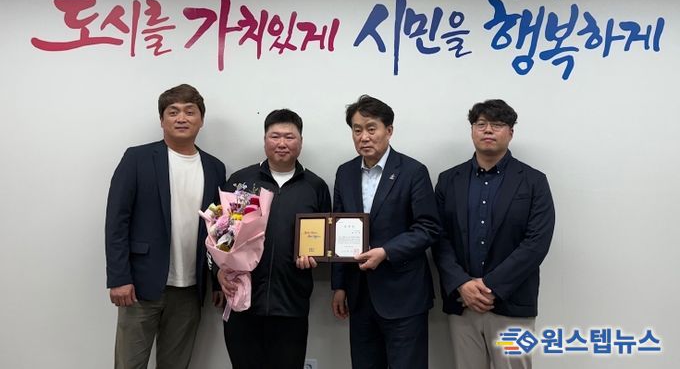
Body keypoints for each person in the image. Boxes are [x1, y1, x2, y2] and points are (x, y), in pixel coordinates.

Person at [105, 83, 226, 369]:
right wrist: (119, 277)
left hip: (190, 289)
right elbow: (117, 221)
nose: (181, 118)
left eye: (189, 111)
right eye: (173, 112)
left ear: (201, 120)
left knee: (176, 364)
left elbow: (218, 229)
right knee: (129, 364)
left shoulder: (215, 167)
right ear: (162, 120)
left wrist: (216, 279)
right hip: (140, 285)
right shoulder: (137, 158)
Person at [432, 99, 555, 369]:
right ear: (472, 130)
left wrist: (491, 286)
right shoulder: (448, 180)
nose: (488, 130)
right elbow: (438, 238)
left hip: (512, 302)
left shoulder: (534, 181)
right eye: (481, 124)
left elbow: (536, 243)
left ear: (511, 132)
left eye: (497, 124)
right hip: (462, 302)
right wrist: (462, 284)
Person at [330, 95, 440, 369]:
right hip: (359, 295)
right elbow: (338, 229)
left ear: (388, 130)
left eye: (371, 128)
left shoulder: (413, 171)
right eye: (357, 130)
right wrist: (339, 286)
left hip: (404, 295)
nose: (364, 137)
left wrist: (386, 252)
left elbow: (428, 228)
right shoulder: (345, 173)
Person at [218, 109, 331, 369]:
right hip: (242, 300)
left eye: (289, 137)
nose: (282, 143)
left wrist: (315, 256)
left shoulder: (315, 187)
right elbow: (218, 234)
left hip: (291, 304)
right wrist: (218, 273)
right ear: (264, 140)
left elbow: (325, 241)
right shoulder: (240, 181)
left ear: (300, 142)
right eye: (275, 136)